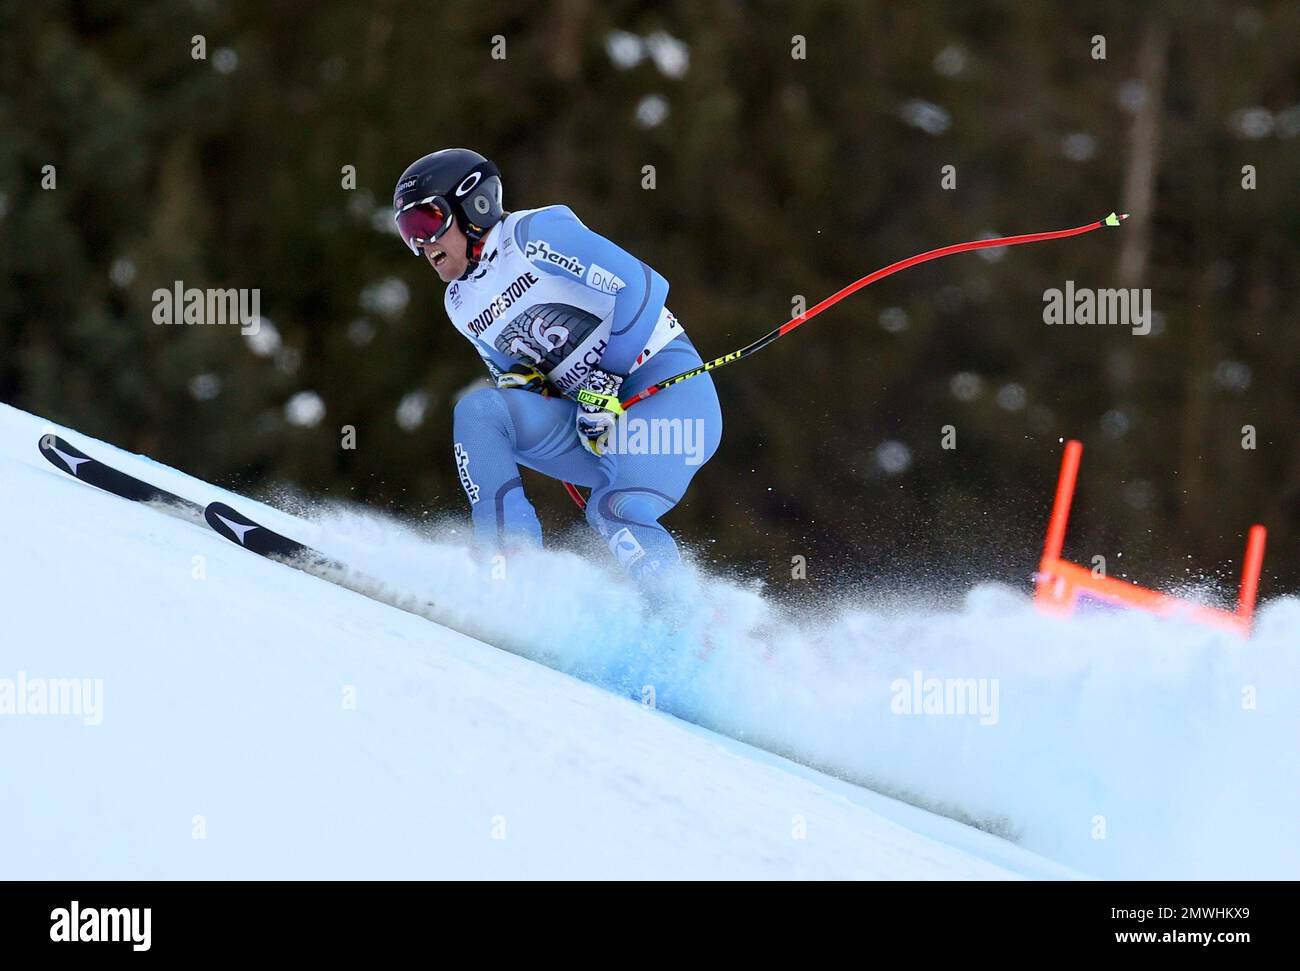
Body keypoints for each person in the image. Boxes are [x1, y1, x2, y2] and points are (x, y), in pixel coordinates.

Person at [393, 148, 721, 599]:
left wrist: (605, 379)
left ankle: (685, 620)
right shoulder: (460, 303)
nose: (422, 244)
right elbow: (515, 376)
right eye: (408, 231)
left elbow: (643, 285)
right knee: (481, 413)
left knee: (613, 509)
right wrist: (527, 384)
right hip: (593, 420)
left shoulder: (532, 235)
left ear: (474, 206)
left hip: (669, 394)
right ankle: (511, 573)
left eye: (427, 221)